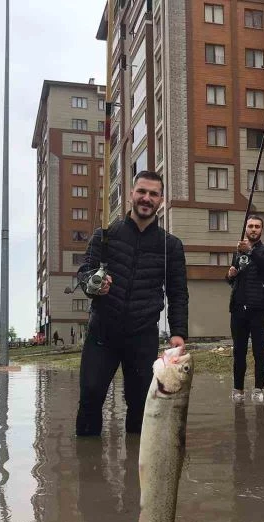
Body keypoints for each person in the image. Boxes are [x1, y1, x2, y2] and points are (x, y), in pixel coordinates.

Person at [75, 170, 189, 436]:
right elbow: (84, 273)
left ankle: (135, 460)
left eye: (153, 194)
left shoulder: (171, 246)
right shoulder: (104, 236)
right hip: (102, 333)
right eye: (142, 192)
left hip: (142, 335)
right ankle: (87, 459)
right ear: (130, 195)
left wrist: (179, 332)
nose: (146, 198)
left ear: (161, 200)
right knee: (90, 397)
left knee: (141, 406)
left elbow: (178, 292)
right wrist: (93, 284)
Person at [226, 215, 264, 403]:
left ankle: (258, 388)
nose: (253, 229)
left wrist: (251, 252)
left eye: (257, 226)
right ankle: (238, 388)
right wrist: (230, 275)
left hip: (259, 308)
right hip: (238, 308)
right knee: (238, 351)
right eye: (250, 226)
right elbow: (233, 281)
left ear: (261, 230)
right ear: (245, 229)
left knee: (259, 351)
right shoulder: (238, 252)